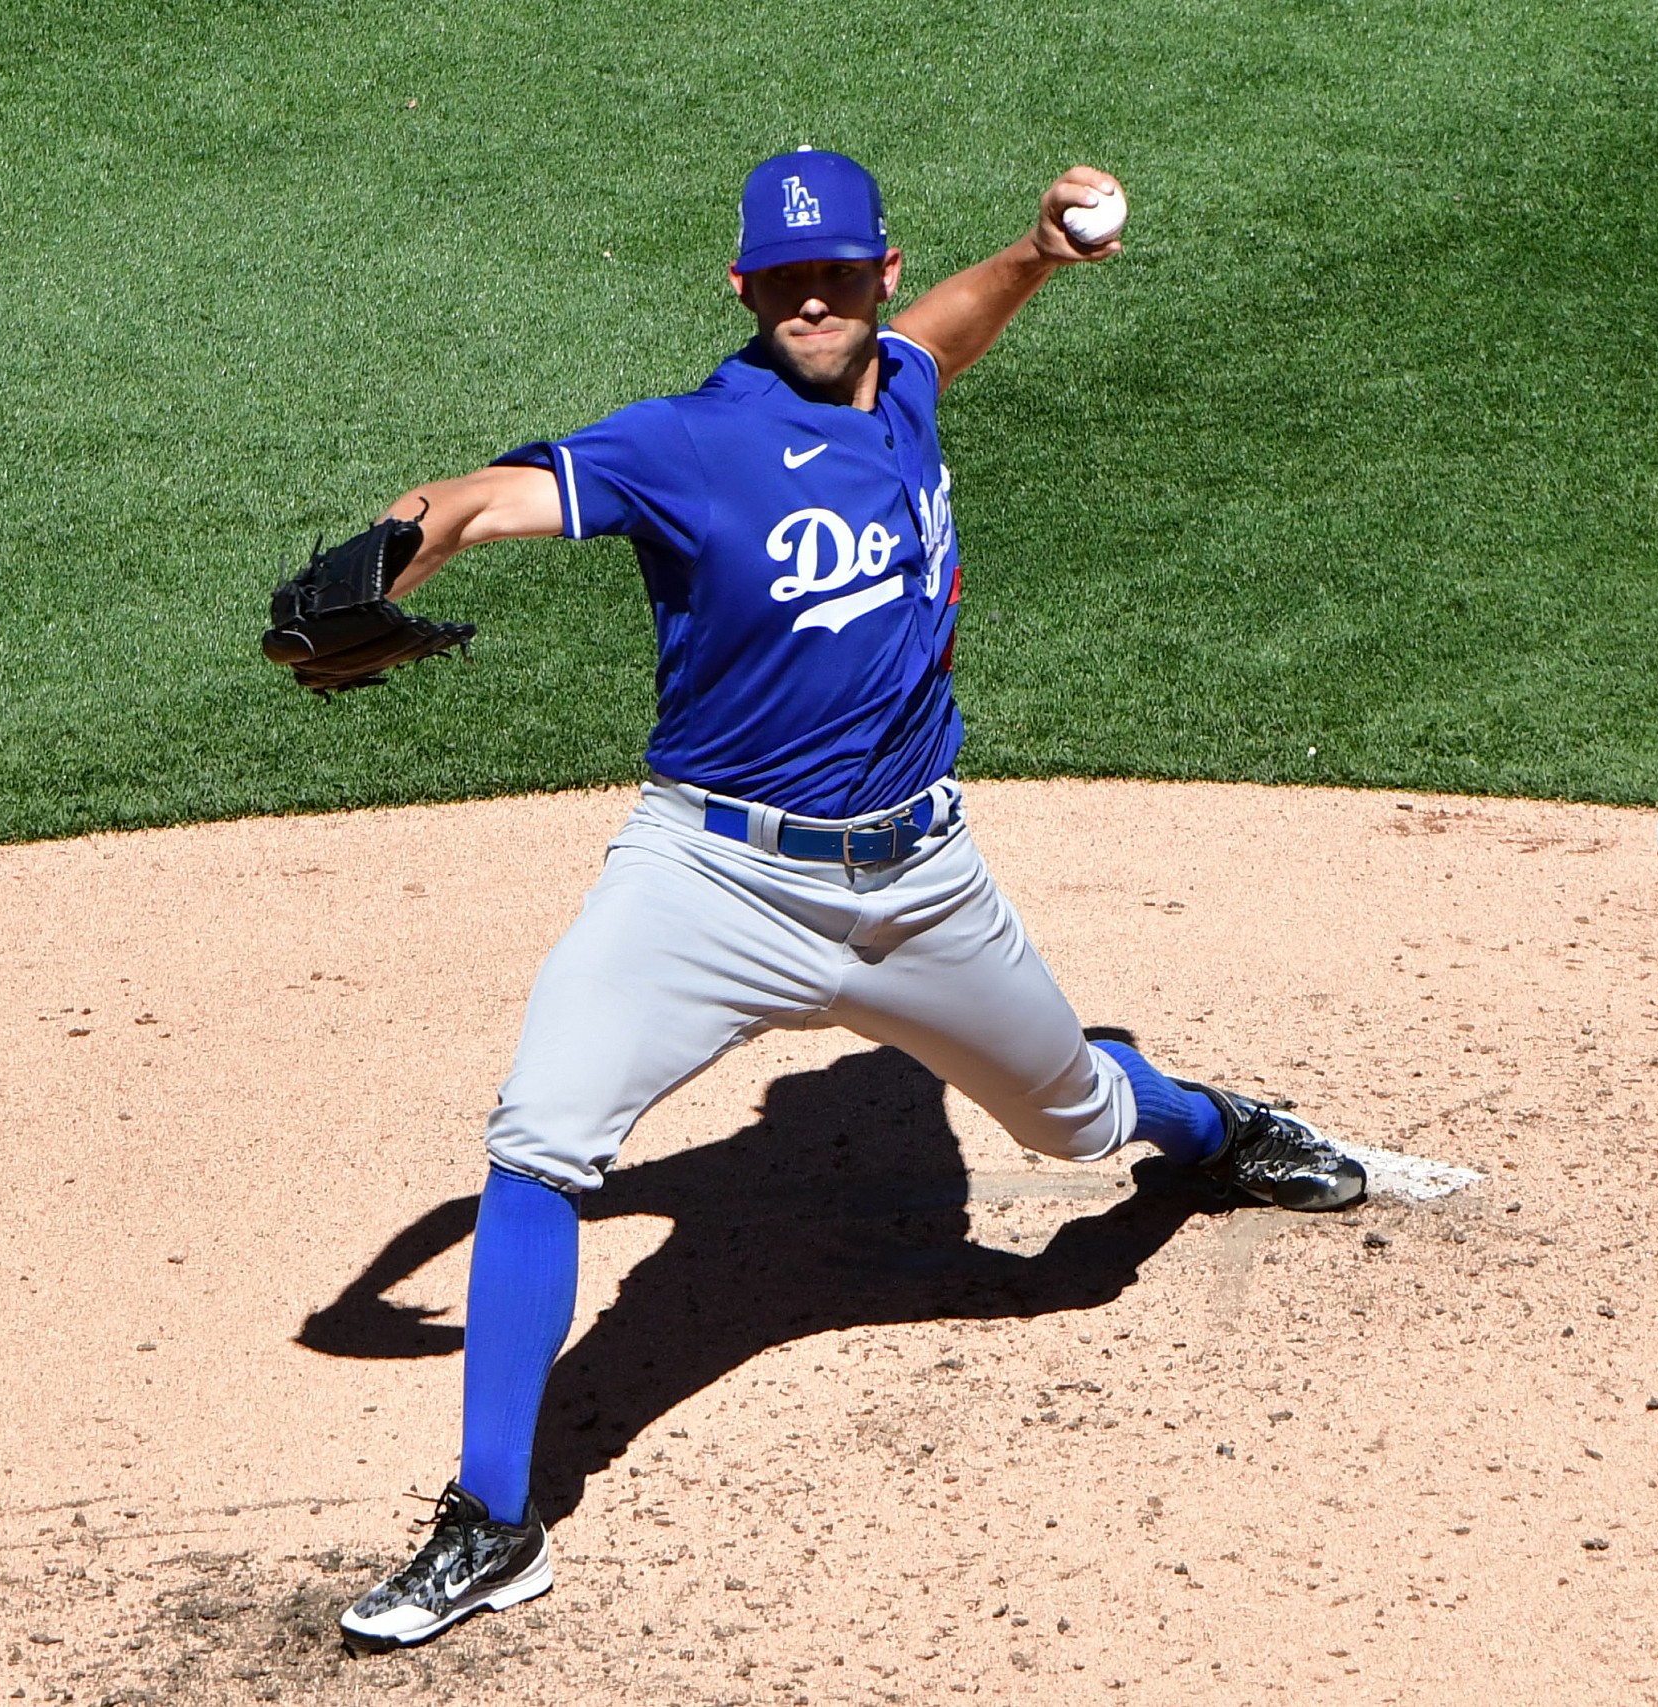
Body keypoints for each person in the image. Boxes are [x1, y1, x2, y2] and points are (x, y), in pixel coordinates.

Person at [334, 149, 1366, 1651]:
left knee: (1076, 1121)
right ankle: (492, 1520)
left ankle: (1217, 1130)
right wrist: (387, 555)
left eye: (839, 276)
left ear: (877, 273)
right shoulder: (690, 439)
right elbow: (486, 500)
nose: (812, 302)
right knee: (540, 1138)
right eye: (784, 281)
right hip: (712, 880)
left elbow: (941, 334)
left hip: (922, 886)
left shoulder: (904, 385)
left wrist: (1034, 256)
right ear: (743, 288)